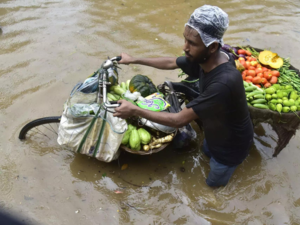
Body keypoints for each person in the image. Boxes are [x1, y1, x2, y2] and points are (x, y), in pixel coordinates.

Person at [113, 5, 254, 187]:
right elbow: (172, 62)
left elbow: (178, 120)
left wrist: (135, 110)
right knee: (206, 153)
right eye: (185, 40)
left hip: (230, 146)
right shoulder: (209, 59)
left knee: (212, 185)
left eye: (192, 43)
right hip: (214, 132)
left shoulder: (223, 83)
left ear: (212, 47)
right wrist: (134, 60)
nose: (185, 48)